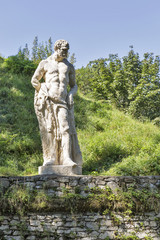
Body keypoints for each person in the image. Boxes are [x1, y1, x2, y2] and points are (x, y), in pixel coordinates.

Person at [31, 39, 82, 167]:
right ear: (56, 49)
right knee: (50, 130)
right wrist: (42, 90)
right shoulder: (45, 63)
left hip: (62, 101)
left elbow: (74, 85)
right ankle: (51, 158)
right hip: (48, 100)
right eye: (63, 50)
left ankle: (66, 158)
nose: (65, 53)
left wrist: (71, 94)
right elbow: (34, 80)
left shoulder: (69, 66)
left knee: (65, 128)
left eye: (67, 51)